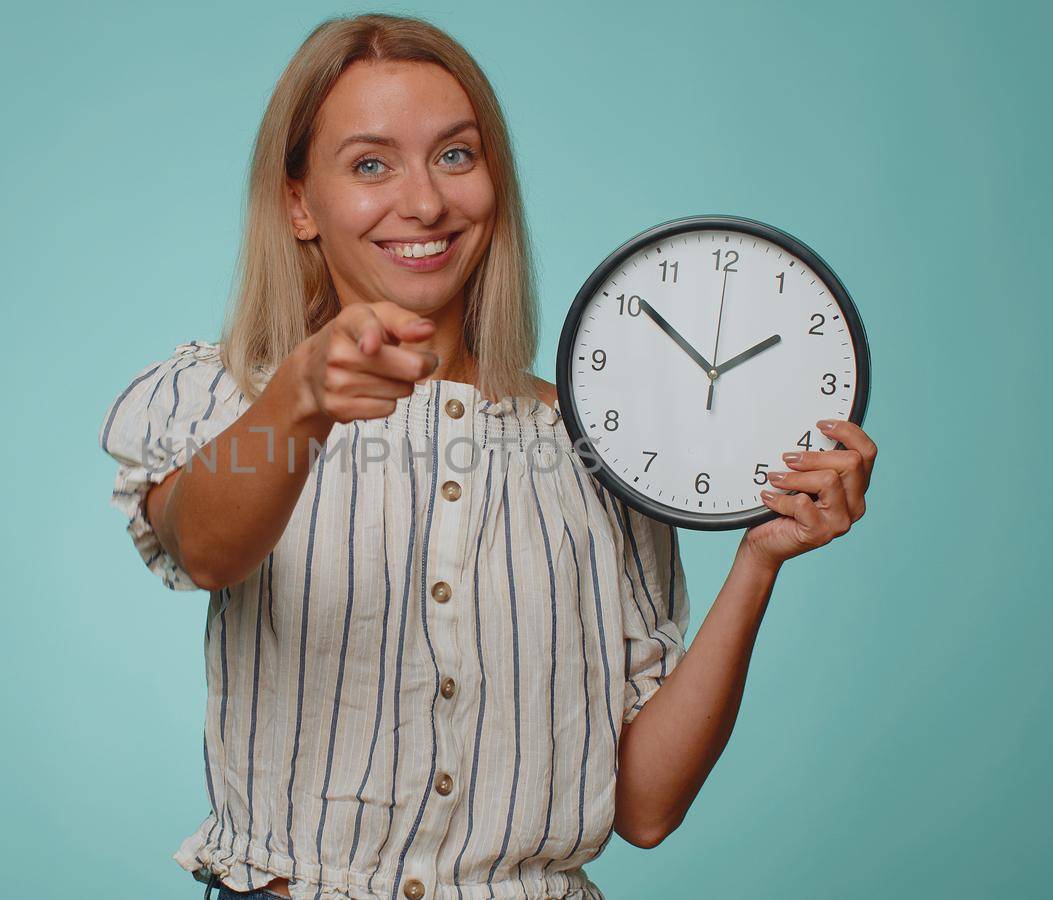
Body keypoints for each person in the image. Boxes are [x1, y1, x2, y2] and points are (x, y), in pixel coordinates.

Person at [98, 13, 879, 900]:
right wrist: (300, 401)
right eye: (370, 164)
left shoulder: (594, 447)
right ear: (298, 203)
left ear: (493, 181)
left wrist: (759, 561)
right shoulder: (223, 400)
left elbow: (647, 808)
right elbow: (206, 547)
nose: (425, 203)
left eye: (456, 156)